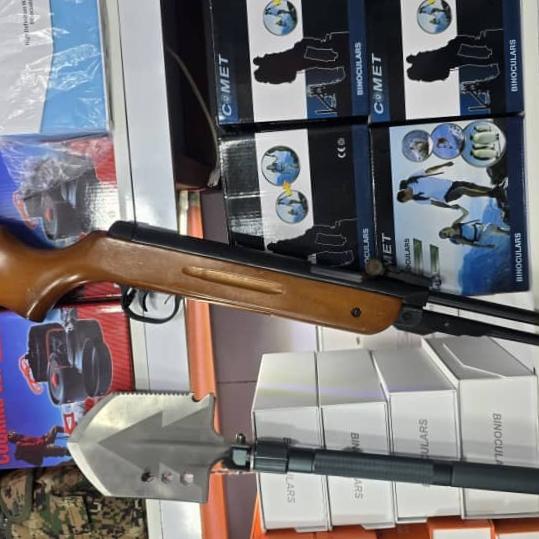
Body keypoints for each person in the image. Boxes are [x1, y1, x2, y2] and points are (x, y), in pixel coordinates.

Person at [396, 162, 502, 208]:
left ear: (404, 193)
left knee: (472, 186)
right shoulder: (418, 199)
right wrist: (449, 207)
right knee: (462, 190)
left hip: (450, 184)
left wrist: (444, 165)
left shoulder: (413, 178)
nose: (409, 199)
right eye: (407, 200)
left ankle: (494, 190)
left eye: (407, 199)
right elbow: (434, 203)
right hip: (446, 196)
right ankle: (491, 194)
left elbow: (429, 170)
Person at [438, 206, 509, 248]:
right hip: (479, 238)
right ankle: (508, 232)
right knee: (491, 226)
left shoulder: (455, 224)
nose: (445, 228)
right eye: (445, 230)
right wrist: (486, 246)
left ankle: (509, 232)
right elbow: (471, 244)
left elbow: (466, 213)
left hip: (481, 229)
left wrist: (460, 207)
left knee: (497, 229)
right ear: (447, 235)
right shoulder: (456, 238)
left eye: (444, 228)